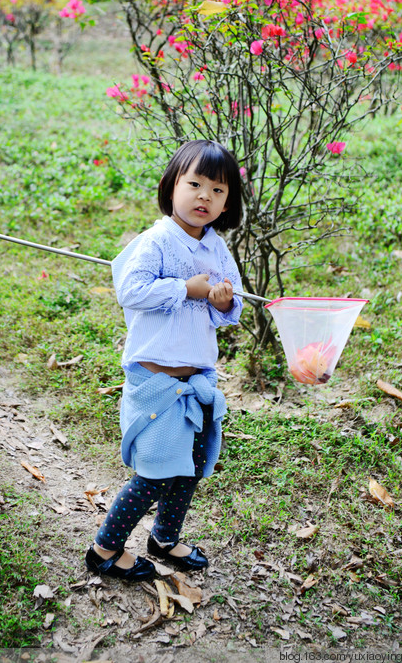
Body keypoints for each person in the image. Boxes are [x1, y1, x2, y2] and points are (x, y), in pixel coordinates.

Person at [85, 139, 244, 582]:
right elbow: (130, 292)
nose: (204, 197)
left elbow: (232, 311)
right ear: (173, 186)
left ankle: (164, 538)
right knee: (155, 474)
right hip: (156, 381)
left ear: (227, 202)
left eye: (217, 190)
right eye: (194, 184)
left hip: (198, 379)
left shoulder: (217, 249)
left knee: (190, 469)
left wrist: (223, 300)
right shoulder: (155, 241)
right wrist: (184, 289)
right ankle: (104, 549)